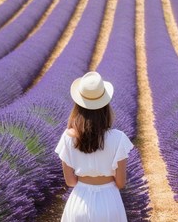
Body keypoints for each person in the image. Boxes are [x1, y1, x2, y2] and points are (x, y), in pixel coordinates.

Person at [54, 71, 134, 222]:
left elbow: (70, 181)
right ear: (105, 106)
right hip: (109, 203)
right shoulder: (118, 138)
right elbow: (120, 182)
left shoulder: (68, 137)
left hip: (79, 202)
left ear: (78, 106)